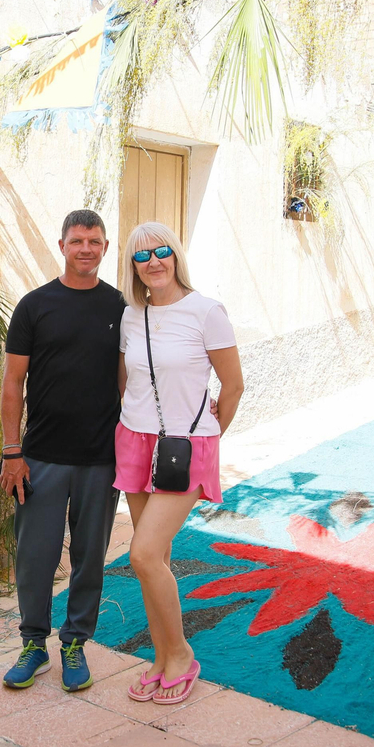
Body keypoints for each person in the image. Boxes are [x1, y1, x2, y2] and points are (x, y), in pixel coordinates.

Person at [115, 221, 244, 706]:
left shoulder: (207, 312)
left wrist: (204, 440)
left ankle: (182, 655)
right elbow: (127, 383)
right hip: (134, 439)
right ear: (133, 267)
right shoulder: (131, 315)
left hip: (184, 448)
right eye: (142, 256)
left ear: (176, 255)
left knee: (143, 554)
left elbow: (232, 387)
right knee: (158, 562)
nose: (153, 262)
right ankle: (160, 657)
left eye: (161, 251)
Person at [0, 208, 125, 693]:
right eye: (77, 241)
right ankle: (33, 644)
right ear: (63, 245)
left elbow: (126, 381)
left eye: (94, 241)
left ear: (105, 248)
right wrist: (13, 453)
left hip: (100, 459)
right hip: (41, 458)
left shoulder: (119, 307)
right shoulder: (34, 306)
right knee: (35, 555)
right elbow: (12, 383)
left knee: (90, 557)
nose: (86, 249)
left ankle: (74, 643)